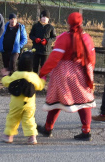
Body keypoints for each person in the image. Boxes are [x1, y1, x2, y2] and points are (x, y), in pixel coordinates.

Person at [37, 12, 96, 141]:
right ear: (81, 22)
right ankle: (86, 131)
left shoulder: (64, 37)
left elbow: (54, 58)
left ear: (68, 22)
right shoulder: (87, 37)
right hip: (81, 72)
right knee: (84, 102)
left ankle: (48, 128)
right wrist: (89, 71)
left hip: (63, 74)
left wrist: (43, 72)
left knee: (56, 101)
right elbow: (91, 58)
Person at [0, 50, 46, 145]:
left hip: (16, 104)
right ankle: (32, 137)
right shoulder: (33, 76)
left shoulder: (16, 75)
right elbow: (40, 86)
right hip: (29, 104)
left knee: (12, 118)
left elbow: (6, 82)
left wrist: (4, 76)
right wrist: (43, 80)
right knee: (29, 119)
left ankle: (8, 136)